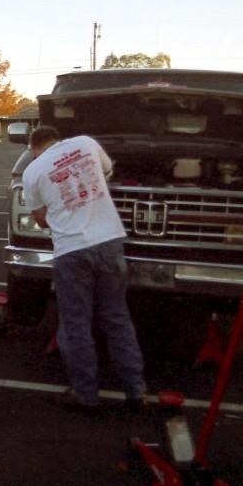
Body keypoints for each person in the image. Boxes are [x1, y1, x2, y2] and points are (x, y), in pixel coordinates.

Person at [21, 126, 146, 410]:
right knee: (117, 319)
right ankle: (136, 391)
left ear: (34, 148)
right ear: (58, 138)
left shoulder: (33, 170)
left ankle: (86, 395)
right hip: (110, 241)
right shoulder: (86, 143)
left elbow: (41, 220)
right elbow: (106, 172)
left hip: (72, 251)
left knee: (76, 325)